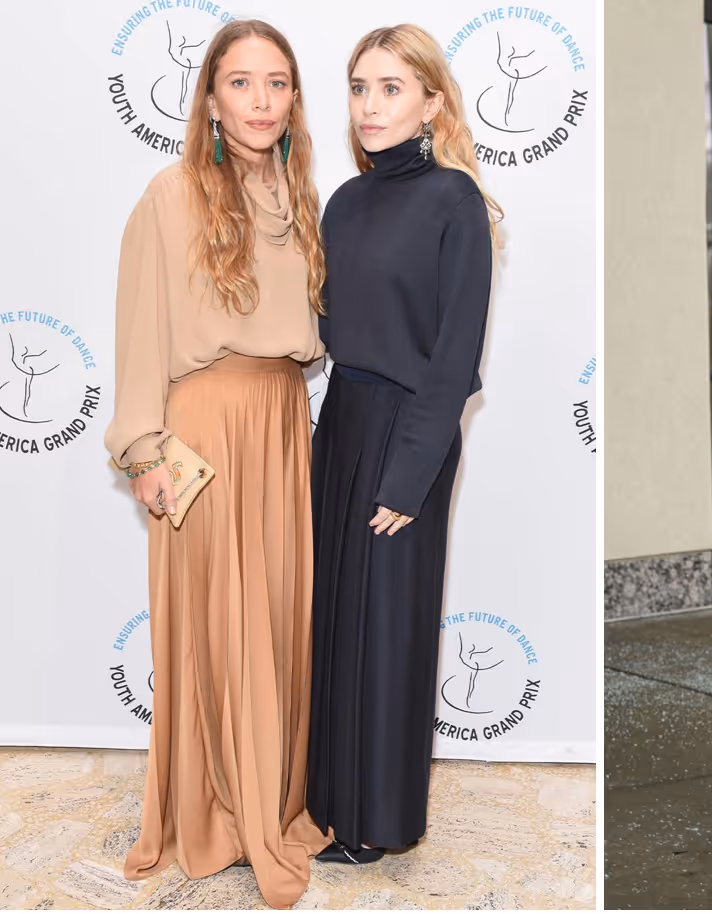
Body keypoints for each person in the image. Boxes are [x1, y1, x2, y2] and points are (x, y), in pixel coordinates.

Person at [103, 19, 328, 909]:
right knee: (214, 626)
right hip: (201, 427)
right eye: (242, 83)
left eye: (277, 83)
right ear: (209, 96)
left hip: (280, 424)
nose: (262, 101)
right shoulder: (172, 193)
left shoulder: (300, 192)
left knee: (274, 621)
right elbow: (139, 331)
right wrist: (143, 453)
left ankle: (269, 801)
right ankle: (210, 814)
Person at [306, 24, 500, 864]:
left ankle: (380, 821)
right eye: (358, 87)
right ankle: (327, 802)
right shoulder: (345, 200)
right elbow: (324, 327)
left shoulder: (455, 201)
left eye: (391, 87)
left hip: (409, 432)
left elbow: (455, 356)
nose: (371, 105)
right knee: (337, 617)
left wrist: (410, 475)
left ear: (431, 101)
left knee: (387, 624)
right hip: (341, 420)